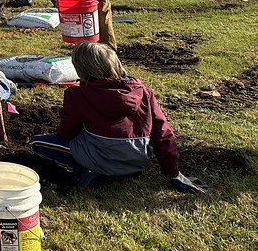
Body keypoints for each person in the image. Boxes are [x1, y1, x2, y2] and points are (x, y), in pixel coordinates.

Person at [29, 41, 207, 193]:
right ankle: (114, 168)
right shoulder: (143, 92)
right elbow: (163, 134)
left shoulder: (77, 94)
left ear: (82, 68)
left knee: (36, 143)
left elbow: (66, 133)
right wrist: (174, 174)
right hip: (137, 161)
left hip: (99, 159)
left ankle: (84, 170)